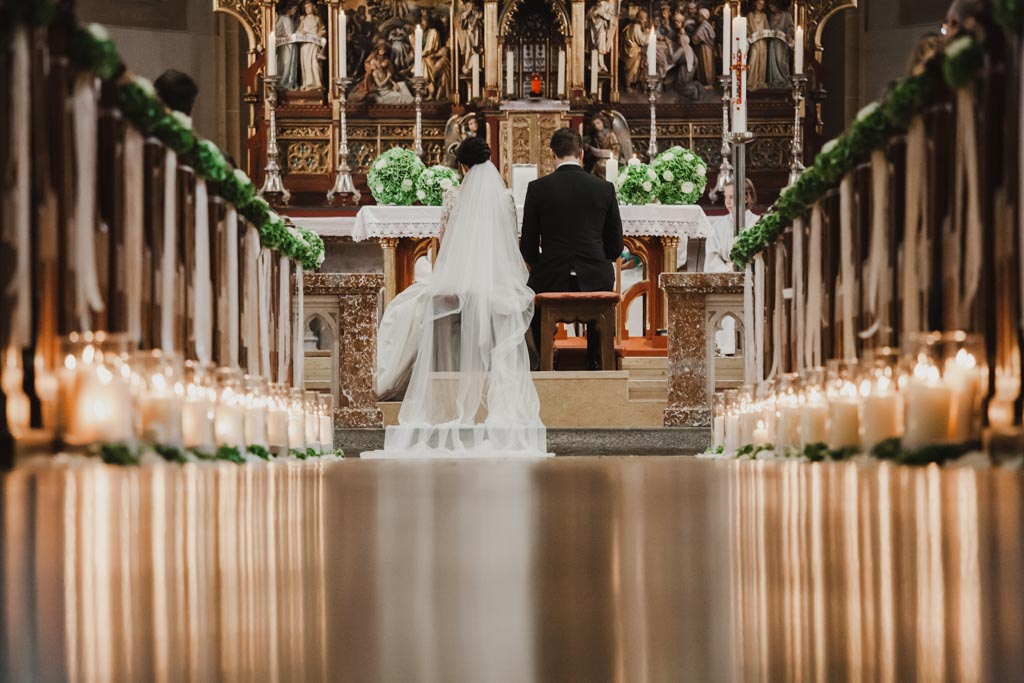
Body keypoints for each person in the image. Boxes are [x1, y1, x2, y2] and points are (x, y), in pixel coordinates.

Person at [370, 137, 546, 457]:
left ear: (462, 165)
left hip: (458, 284)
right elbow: (511, 243)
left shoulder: (453, 197)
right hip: (498, 283)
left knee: (404, 306)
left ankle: (395, 376)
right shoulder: (505, 198)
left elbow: (443, 243)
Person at [520, 128, 624, 370]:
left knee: (531, 301)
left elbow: (528, 245)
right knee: (600, 304)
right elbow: (615, 246)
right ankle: (597, 361)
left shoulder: (538, 188)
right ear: (581, 154)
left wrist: (541, 264)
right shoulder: (604, 189)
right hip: (596, 276)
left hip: (551, 276)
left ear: (552, 155)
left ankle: (541, 364)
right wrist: (598, 258)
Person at [704, 179, 759, 273]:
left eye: (732, 197)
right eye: (725, 197)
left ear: (745, 198)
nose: (727, 202)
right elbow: (712, 257)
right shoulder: (718, 225)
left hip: (752, 274)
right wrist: (728, 271)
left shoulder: (757, 222)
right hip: (724, 275)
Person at [297, 1, 325, 90]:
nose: (307, 9)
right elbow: (298, 31)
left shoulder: (317, 19)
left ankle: (317, 83)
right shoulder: (303, 19)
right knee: (306, 64)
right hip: (305, 45)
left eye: (309, 7)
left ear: (313, 7)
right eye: (305, 8)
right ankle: (308, 83)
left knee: (314, 62)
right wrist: (302, 32)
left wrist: (319, 34)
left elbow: (323, 30)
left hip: (314, 43)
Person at [766, 2, 794, 88]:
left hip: (782, 42)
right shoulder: (771, 16)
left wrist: (789, 34)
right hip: (772, 42)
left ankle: (784, 79)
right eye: (770, 6)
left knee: (780, 60)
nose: (771, 8)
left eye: (773, 6)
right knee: (772, 61)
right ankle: (775, 80)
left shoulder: (786, 15)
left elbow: (790, 27)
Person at [275, 2, 301, 90]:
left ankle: (291, 83)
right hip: (285, 45)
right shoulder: (282, 18)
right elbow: (276, 31)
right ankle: (283, 83)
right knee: (285, 63)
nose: (295, 11)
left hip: (293, 45)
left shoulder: (292, 19)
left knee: (292, 64)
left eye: (296, 9)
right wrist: (283, 35)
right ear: (289, 8)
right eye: (294, 9)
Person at [747, 0, 770, 90]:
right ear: (755, 3)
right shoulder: (750, 15)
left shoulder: (764, 16)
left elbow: (767, 27)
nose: (761, 5)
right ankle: (751, 82)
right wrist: (749, 34)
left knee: (762, 62)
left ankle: (760, 81)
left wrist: (765, 32)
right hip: (754, 42)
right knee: (753, 60)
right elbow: (747, 27)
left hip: (763, 41)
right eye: (759, 3)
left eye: (762, 4)